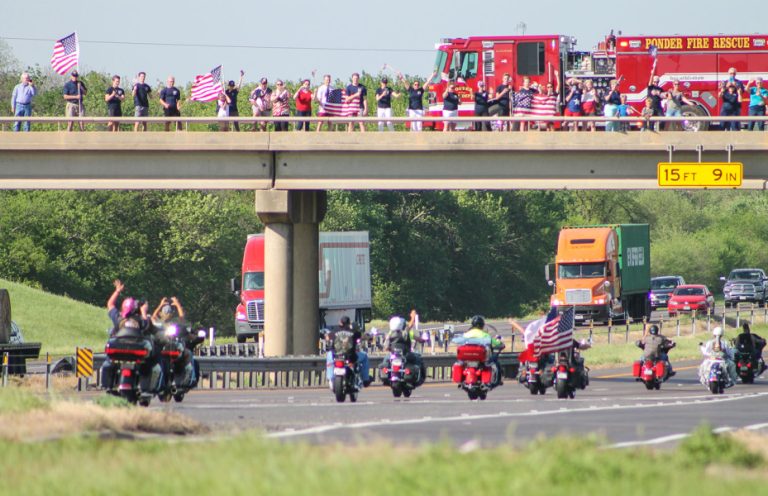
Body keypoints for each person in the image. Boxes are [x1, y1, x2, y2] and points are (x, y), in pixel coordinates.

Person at [458, 315, 505, 387]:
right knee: (495, 362)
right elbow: (497, 343)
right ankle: (498, 380)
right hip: (480, 358)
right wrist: (500, 343)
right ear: (482, 325)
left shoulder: (466, 334)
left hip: (466, 358)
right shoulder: (484, 335)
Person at [325, 316, 371, 387]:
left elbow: (327, 338)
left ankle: (330, 378)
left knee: (329, 356)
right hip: (350, 356)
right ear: (349, 323)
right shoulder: (353, 332)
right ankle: (365, 379)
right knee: (364, 356)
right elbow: (363, 336)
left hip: (336, 355)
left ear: (340, 323)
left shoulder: (335, 331)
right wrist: (369, 337)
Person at [380, 316, 426, 386]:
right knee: (418, 359)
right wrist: (413, 317)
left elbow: (385, 347)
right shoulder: (406, 333)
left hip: (393, 355)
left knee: (385, 361)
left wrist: (391, 349)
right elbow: (412, 328)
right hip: (405, 354)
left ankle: (385, 378)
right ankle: (420, 378)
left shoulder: (389, 334)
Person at [647, 61, 665, 131]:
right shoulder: (650, 87)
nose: (656, 83)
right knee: (650, 122)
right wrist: (654, 68)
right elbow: (651, 79)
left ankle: (661, 131)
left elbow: (664, 96)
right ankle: (650, 134)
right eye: (655, 82)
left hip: (658, 107)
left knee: (662, 119)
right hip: (651, 107)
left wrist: (658, 93)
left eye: (657, 82)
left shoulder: (660, 89)